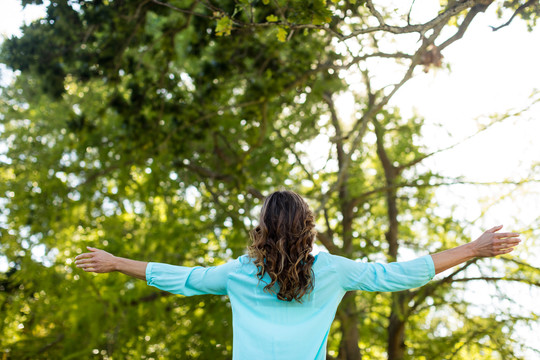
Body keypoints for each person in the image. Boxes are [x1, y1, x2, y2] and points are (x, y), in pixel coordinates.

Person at [74, 190, 521, 359]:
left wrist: (116, 262)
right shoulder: (333, 271)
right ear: (309, 228)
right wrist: (473, 249)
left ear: (261, 230)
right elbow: (399, 275)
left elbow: (183, 278)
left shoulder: (239, 273)